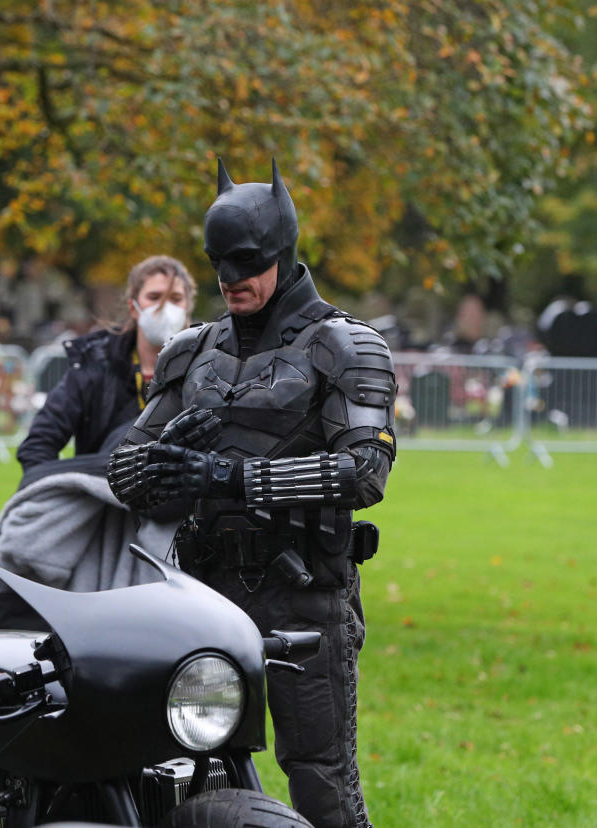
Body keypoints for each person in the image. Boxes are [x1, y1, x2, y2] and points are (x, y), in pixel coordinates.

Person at [108, 160, 397, 828]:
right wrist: (171, 443)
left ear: (282, 252)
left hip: (300, 590)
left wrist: (237, 479)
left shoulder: (346, 347)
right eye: (218, 264)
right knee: (188, 766)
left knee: (320, 782)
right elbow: (123, 473)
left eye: (246, 262)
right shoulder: (191, 353)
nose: (229, 280)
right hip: (202, 592)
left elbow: (363, 473)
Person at [16, 255, 196, 473]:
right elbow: (38, 445)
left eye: (175, 299)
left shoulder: (206, 370)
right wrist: (69, 494)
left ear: (187, 308)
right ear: (133, 307)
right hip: (103, 496)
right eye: (154, 297)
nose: (164, 309)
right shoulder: (95, 365)